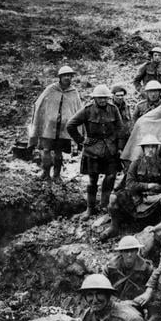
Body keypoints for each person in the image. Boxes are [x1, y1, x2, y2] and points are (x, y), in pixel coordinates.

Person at [66, 85, 124, 221]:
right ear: (95, 99)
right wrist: (81, 140)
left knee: (111, 176)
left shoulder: (113, 109)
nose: (103, 100)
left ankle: (104, 205)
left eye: (105, 98)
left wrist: (119, 147)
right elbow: (70, 125)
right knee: (93, 180)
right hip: (92, 150)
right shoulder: (87, 110)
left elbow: (120, 129)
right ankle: (90, 208)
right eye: (100, 98)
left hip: (110, 149)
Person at [102, 134, 161, 241]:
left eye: (153, 147)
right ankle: (114, 227)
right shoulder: (136, 163)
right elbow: (129, 184)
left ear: (157, 149)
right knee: (113, 198)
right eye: (148, 147)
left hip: (155, 196)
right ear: (143, 149)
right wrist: (147, 186)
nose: (151, 150)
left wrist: (155, 189)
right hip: (137, 195)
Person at [29, 65, 82, 183]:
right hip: (49, 127)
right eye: (65, 75)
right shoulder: (51, 89)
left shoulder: (73, 92)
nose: (67, 78)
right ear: (60, 77)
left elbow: (78, 110)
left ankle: (57, 175)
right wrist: (45, 118)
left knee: (59, 152)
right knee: (46, 150)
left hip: (64, 128)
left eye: (69, 75)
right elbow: (39, 104)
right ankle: (45, 173)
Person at [102, 236, 154, 301]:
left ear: (137, 251)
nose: (129, 254)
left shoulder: (146, 268)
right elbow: (102, 287)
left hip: (137, 303)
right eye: (126, 251)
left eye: (132, 251)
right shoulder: (110, 267)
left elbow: (152, 286)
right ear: (121, 252)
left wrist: (146, 294)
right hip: (114, 302)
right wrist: (114, 299)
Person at [110, 83, 132, 151]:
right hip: (113, 138)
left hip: (125, 137)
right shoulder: (109, 107)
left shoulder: (127, 107)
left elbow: (130, 121)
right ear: (113, 96)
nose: (120, 98)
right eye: (118, 95)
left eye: (122, 95)